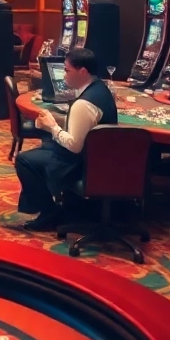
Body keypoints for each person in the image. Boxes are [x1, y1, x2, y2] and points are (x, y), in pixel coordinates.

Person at [14, 47, 117, 231]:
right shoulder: (100, 88)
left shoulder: (84, 104)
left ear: (83, 71)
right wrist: (53, 123)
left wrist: (52, 126)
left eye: (67, 70)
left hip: (81, 163)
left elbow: (74, 146)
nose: (63, 75)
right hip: (100, 159)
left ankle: (50, 213)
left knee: (24, 160)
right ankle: (62, 208)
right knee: (45, 145)